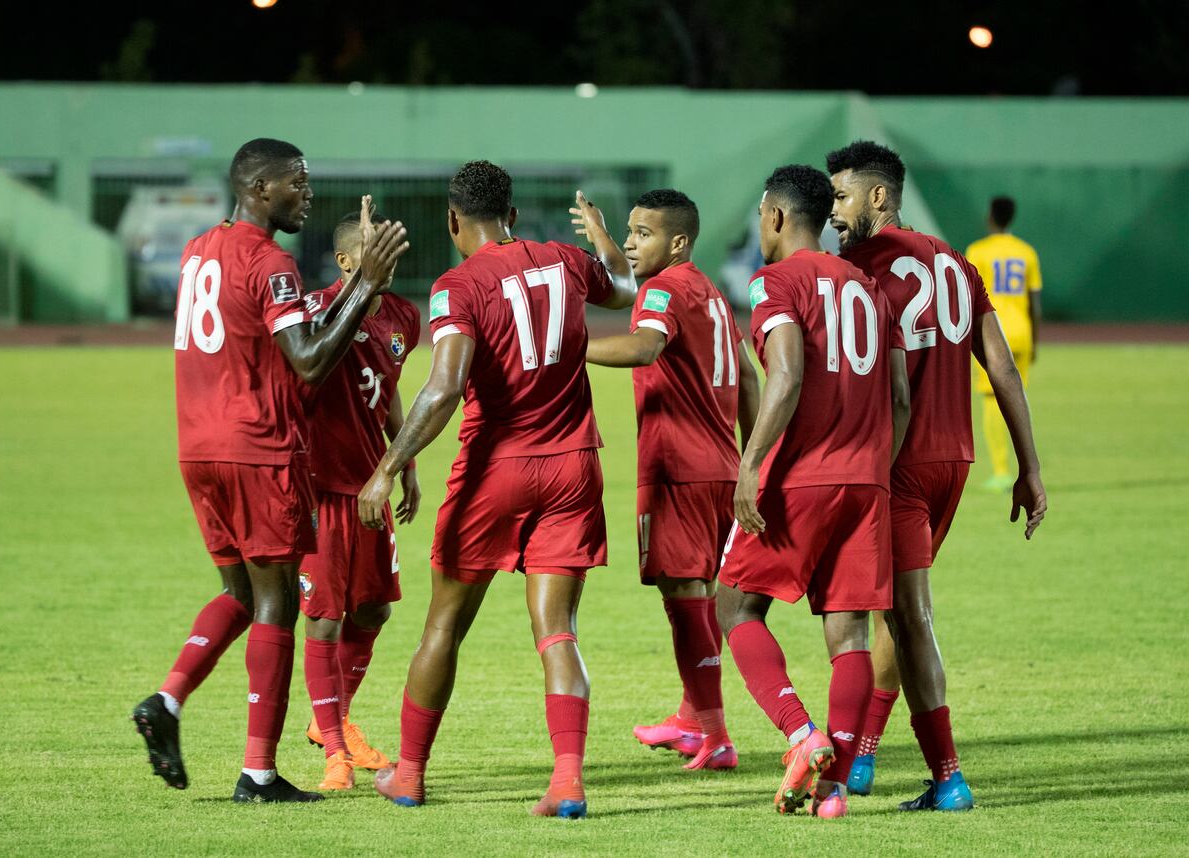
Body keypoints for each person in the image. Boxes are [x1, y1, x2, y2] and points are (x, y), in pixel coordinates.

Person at [130, 138, 408, 803]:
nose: (306, 196)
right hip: (257, 446)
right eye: (297, 185)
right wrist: (363, 285)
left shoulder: (200, 249)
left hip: (197, 446)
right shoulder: (270, 260)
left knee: (238, 593)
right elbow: (309, 360)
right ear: (259, 188)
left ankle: (167, 701)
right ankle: (259, 773)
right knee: (278, 601)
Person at [355, 161, 636, 818]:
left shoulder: (457, 286)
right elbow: (624, 287)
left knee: (444, 627)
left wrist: (387, 466)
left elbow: (446, 385)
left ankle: (410, 774)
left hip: (494, 472)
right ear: (510, 214)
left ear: (454, 221)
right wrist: (600, 236)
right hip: (572, 466)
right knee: (557, 631)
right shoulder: (566, 259)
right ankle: (567, 782)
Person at [828, 140, 1047, 811]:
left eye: (840, 196)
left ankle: (948, 778)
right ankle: (863, 759)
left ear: (878, 197)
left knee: (901, 616)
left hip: (896, 460)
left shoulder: (861, 265)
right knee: (900, 606)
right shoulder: (955, 261)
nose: (833, 211)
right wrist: (1029, 468)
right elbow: (1002, 366)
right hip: (953, 458)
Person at [716, 165, 912, 820]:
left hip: (802, 478)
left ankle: (803, 735)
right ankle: (832, 792)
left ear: (773, 217)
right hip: (867, 481)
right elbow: (902, 399)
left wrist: (751, 462)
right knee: (849, 634)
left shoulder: (776, 282)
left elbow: (788, 376)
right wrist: (875, 464)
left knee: (733, 608)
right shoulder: (869, 286)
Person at [582, 188, 759, 770]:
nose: (632, 245)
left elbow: (644, 346)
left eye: (643, 234)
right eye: (629, 233)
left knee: (684, 597)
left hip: (677, 472)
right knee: (699, 595)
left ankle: (716, 736)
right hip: (721, 469)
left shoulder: (661, 290)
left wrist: (570, 346)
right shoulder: (706, 289)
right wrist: (752, 461)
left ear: (677, 242)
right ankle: (690, 718)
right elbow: (751, 380)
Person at [298, 211, 422, 790]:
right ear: (347, 261)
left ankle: (334, 723)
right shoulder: (318, 313)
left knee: (373, 608)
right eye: (375, 250)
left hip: (372, 485)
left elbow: (391, 390)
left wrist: (407, 464)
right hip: (321, 488)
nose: (388, 259)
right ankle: (335, 756)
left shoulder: (403, 317)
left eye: (392, 250)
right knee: (322, 619)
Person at [965, 196, 1043, 491]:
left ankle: (1001, 470)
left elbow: (969, 298)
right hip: (1021, 332)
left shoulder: (978, 251)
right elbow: (1035, 304)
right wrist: (1035, 341)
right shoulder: (1026, 252)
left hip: (992, 334)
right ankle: (1027, 463)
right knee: (1018, 397)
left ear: (990, 216)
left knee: (991, 401)